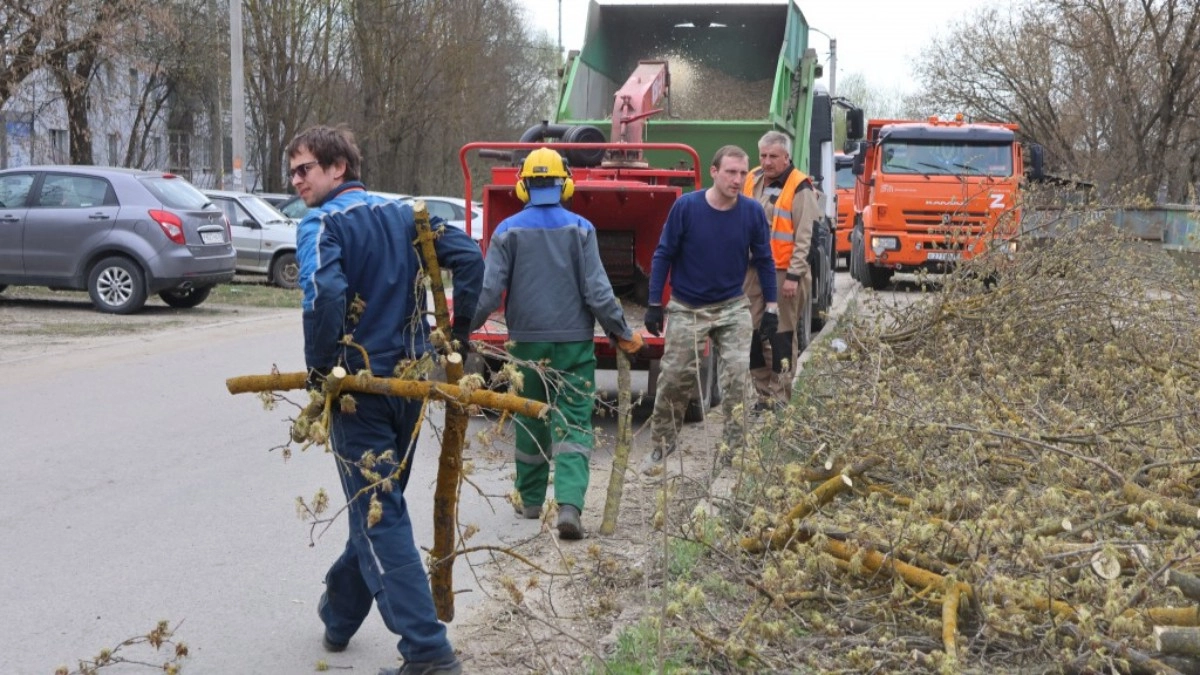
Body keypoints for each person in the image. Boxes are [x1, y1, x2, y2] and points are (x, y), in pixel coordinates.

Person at [288, 124, 483, 675]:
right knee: (381, 502)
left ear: (337, 168)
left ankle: (427, 650)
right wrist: (460, 334)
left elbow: (323, 291)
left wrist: (320, 370)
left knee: (379, 515)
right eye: (294, 172)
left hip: (360, 388)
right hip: (412, 383)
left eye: (304, 169)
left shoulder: (321, 223)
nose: (296, 181)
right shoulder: (408, 214)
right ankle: (339, 613)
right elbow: (470, 259)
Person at [470, 147, 643, 540]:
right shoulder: (581, 229)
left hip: (525, 347)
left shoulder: (506, 230)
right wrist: (621, 332)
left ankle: (531, 502)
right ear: (565, 184)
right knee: (573, 423)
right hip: (573, 345)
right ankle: (568, 506)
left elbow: (488, 292)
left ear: (523, 185)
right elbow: (598, 293)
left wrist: (463, 329)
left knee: (531, 418)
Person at [641, 144, 778, 474]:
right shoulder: (687, 209)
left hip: (732, 306)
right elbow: (663, 255)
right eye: (731, 172)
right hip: (688, 306)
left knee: (735, 379)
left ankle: (732, 453)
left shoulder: (751, 212)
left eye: (744, 173)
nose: (738, 179)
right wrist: (654, 303)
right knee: (674, 379)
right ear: (714, 172)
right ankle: (660, 448)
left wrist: (772, 306)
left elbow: (764, 260)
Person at [742, 130, 821, 410]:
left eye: (773, 156)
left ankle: (780, 397)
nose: (766, 161)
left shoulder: (800, 187)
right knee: (751, 333)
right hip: (753, 271)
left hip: (784, 273)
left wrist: (793, 277)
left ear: (786, 157)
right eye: (762, 155)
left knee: (782, 336)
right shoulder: (751, 179)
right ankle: (762, 394)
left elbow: (806, 237)